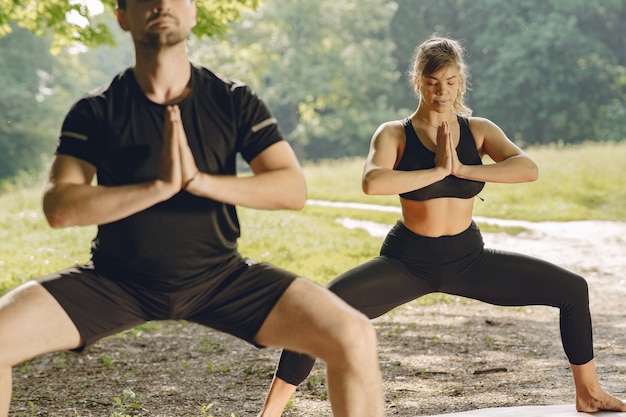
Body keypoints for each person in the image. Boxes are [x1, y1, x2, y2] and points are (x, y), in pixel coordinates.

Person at [0, 1, 385, 416]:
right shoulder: (96, 111)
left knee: (353, 334)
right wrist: (158, 186)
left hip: (222, 279)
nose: (163, 3)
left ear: (194, 12)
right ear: (122, 16)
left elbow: (291, 189)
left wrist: (198, 181)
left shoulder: (233, 100)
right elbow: (59, 206)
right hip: (114, 282)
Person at [257, 35, 626, 417]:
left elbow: (528, 169)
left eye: (450, 82)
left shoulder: (478, 130)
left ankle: (590, 393)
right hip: (408, 263)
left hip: (470, 259)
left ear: (460, 82)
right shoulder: (394, 133)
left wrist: (462, 168)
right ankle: (269, 414)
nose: (441, 91)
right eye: (433, 82)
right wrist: (435, 169)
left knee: (572, 289)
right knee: (317, 312)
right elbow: (373, 182)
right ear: (418, 81)